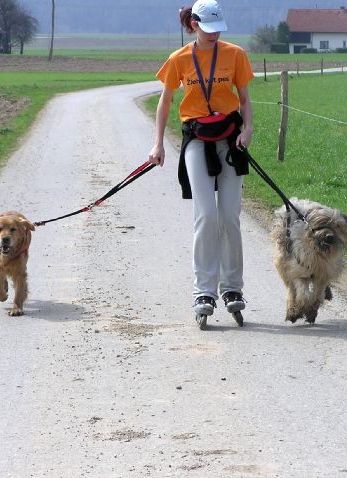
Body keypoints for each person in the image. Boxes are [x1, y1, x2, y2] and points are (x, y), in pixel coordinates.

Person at [148, 0, 254, 326]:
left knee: (230, 217)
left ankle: (232, 288)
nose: (214, 34)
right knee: (206, 215)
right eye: (208, 29)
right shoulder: (178, 60)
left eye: (218, 28)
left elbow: (246, 100)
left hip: (230, 139)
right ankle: (203, 291)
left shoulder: (235, 54)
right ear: (194, 25)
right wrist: (157, 145)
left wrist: (248, 130)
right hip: (197, 140)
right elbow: (165, 103)